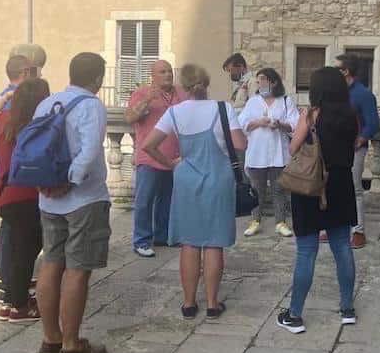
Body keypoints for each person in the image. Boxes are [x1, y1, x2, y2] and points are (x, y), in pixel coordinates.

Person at [143, 64, 247, 320]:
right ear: (206, 83)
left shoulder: (175, 113)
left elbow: (148, 145)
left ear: (184, 86)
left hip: (187, 179)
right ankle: (212, 303)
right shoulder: (223, 108)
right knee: (214, 242)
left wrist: (170, 164)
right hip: (218, 179)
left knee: (189, 242)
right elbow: (240, 144)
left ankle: (189, 303)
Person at [35, 53, 111, 353]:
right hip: (83, 198)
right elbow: (91, 150)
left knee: (51, 263)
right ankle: (71, 345)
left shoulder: (48, 103)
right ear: (97, 79)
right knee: (78, 268)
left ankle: (51, 337)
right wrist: (71, 180)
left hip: (48, 198)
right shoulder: (91, 106)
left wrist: (53, 183)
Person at [276, 67, 359, 334]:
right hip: (341, 184)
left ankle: (295, 314)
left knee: (306, 250)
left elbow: (293, 148)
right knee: (342, 248)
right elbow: (353, 146)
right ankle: (347, 309)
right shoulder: (350, 115)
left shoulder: (310, 115)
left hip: (311, 185)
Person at [0, 77, 51, 323]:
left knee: (13, 250)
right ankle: (20, 306)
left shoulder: (5, 121)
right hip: (27, 195)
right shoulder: (39, 125)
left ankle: (9, 302)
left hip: (4, 194)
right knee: (26, 252)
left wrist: (7, 97)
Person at [0, 54, 38, 298]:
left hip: (3, 185)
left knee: (10, 234)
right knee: (23, 245)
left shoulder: (3, 120)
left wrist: (5, 96)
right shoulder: (34, 123)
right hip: (24, 189)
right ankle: (13, 294)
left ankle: (5, 279)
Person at [125, 60, 186, 257]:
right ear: (152, 75)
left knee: (167, 200)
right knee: (145, 201)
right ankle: (141, 241)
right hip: (149, 157)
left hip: (174, 159)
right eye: (162, 72)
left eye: (169, 71)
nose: (167, 75)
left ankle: (162, 235)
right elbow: (130, 118)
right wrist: (147, 101)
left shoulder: (180, 93)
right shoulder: (142, 93)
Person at [239, 68, 299, 238]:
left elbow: (294, 124)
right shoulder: (253, 102)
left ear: (273, 82)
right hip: (257, 153)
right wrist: (259, 122)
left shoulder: (285, 101)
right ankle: (255, 221)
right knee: (257, 190)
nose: (259, 83)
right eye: (258, 80)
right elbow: (242, 124)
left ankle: (280, 222)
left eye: (263, 79)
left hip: (278, 153)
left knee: (279, 189)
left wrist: (279, 124)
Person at [335, 54, 380, 249]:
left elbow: (372, 124)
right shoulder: (337, 92)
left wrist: (359, 141)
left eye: (337, 68)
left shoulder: (363, 94)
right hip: (335, 147)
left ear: (346, 71)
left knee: (355, 190)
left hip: (354, 150)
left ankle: (358, 231)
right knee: (336, 188)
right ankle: (337, 228)